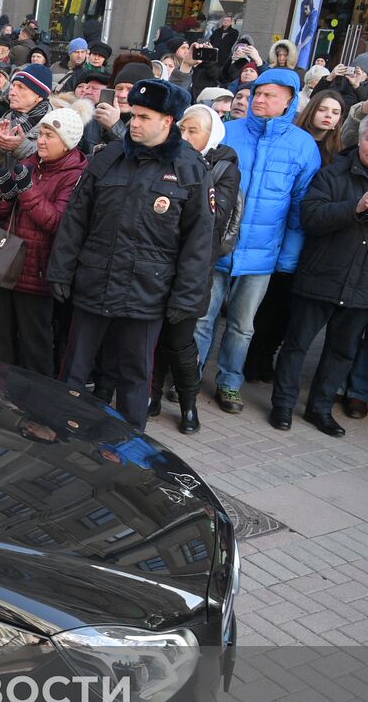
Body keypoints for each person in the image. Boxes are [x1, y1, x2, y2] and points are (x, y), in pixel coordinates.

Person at [46, 79, 214, 430]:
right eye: (132, 114)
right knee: (75, 366)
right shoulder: (108, 158)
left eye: (143, 116)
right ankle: (61, 429)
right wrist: (60, 271)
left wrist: (186, 298)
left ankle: (129, 445)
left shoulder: (190, 169)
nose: (133, 122)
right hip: (95, 281)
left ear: (167, 120)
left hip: (146, 291)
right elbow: (75, 221)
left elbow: (199, 242)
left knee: (135, 374)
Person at [271, 110, 368, 435]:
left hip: (365, 283)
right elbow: (310, 216)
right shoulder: (333, 173)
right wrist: (355, 207)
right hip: (320, 275)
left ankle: (320, 409)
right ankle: (282, 406)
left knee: (341, 351)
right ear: (360, 139)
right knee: (297, 345)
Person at [194, 68, 319, 414]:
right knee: (202, 319)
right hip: (215, 248)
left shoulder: (302, 146)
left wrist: (288, 258)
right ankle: (187, 376)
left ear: (289, 101)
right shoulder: (227, 133)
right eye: (257, 93)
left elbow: (299, 208)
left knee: (242, 326)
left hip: (262, 255)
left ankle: (230, 382)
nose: (260, 100)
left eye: (271, 95)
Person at [148, 104, 241, 433]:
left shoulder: (223, 167)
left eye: (193, 131)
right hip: (159, 263)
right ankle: (151, 396)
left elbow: (213, 219)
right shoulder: (164, 159)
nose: (184, 137)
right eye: (182, 129)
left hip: (195, 269)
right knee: (153, 332)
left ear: (211, 135)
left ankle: (189, 405)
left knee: (180, 338)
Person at [243, 89, 346, 383]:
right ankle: (255, 357)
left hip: (312, 238)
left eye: (335, 112)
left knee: (290, 307)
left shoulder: (338, 153)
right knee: (271, 302)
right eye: (324, 109)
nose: (328, 116)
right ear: (311, 109)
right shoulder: (292, 139)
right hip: (283, 231)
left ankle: (267, 356)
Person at [0, 107, 88, 375]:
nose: (41, 140)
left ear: (67, 142)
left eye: (49, 135)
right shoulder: (30, 163)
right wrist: (6, 196)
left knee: (35, 343)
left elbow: (56, 222)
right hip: (5, 264)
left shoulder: (76, 174)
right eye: (41, 133)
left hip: (38, 272)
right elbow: (1, 215)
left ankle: (35, 404)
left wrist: (27, 191)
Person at [0, 64, 52, 175]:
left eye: (21, 87)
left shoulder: (55, 128)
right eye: (13, 85)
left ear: (39, 96)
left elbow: (53, 171)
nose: (12, 92)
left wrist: (19, 146)